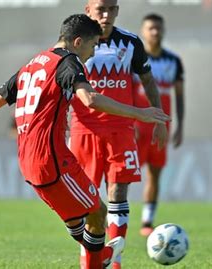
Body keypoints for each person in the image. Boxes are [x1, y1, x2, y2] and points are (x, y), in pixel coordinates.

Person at [0, 14, 170, 269]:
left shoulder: (32, 64)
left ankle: (99, 257)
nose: (93, 52)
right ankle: (100, 261)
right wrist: (141, 113)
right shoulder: (69, 62)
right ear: (77, 42)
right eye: (92, 45)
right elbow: (91, 99)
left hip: (29, 163)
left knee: (79, 223)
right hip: (52, 162)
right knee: (98, 214)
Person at [70, 1, 168, 268]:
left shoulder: (131, 42)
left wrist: (159, 119)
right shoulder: (77, 42)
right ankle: (89, 257)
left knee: (118, 192)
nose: (106, 14)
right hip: (84, 130)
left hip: (121, 130)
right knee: (89, 201)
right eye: (100, 8)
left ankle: (115, 261)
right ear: (88, 9)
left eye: (112, 8)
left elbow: (147, 80)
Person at [132, 13, 185, 237]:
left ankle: (147, 221)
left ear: (163, 30)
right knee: (121, 173)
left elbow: (180, 96)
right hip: (136, 126)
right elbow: (125, 91)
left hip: (160, 126)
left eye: (158, 28)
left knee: (155, 174)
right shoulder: (133, 59)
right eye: (150, 28)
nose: (155, 32)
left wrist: (180, 125)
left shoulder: (173, 61)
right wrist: (128, 120)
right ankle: (113, 216)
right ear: (143, 31)